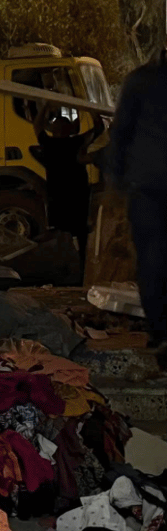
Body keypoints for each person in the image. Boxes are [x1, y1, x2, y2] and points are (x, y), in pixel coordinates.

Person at [109, 48, 167, 369]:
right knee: (153, 261)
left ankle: (160, 334)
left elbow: (121, 134)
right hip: (148, 187)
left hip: (146, 186)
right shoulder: (140, 81)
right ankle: (160, 333)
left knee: (152, 261)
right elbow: (121, 135)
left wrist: (118, 180)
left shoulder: (140, 80)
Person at [33, 102, 104, 267]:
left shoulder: (48, 144)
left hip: (58, 195)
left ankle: (65, 265)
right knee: (80, 231)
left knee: (61, 231)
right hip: (77, 195)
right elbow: (98, 129)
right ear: (69, 129)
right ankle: (82, 262)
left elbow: (37, 126)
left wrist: (45, 106)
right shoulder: (76, 142)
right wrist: (91, 109)